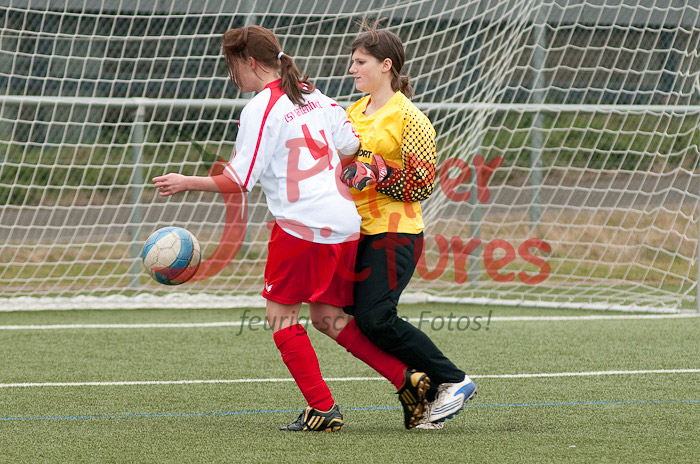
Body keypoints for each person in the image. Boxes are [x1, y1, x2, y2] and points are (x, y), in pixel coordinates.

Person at [152, 25, 430, 432]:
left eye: (232, 66)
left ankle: (322, 408)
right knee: (327, 316)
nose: (232, 76)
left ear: (249, 62)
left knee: (280, 316)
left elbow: (239, 180)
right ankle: (407, 379)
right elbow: (351, 144)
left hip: (303, 225)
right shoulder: (312, 94)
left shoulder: (261, 108)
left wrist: (185, 182)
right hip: (346, 222)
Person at [341, 23, 477, 429]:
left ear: (386, 66)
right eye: (352, 62)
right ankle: (426, 391)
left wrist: (378, 172)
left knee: (375, 317)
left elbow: (423, 183)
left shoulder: (410, 117)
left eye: (360, 62)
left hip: (395, 233)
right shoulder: (353, 112)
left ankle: (454, 379)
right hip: (357, 232)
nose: (352, 69)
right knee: (351, 316)